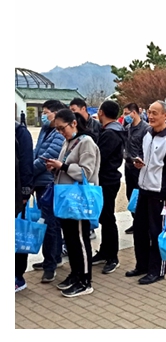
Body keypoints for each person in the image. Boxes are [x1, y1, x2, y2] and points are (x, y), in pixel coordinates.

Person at [43, 108, 100, 297]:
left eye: (62, 128)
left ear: (74, 123)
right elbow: (65, 167)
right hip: (67, 199)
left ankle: (85, 281)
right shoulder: (68, 142)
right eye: (57, 129)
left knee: (80, 240)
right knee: (70, 239)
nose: (61, 132)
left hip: (78, 200)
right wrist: (55, 167)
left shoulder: (86, 142)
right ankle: (75, 274)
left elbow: (86, 172)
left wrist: (63, 166)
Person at [126, 101, 166, 285]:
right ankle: (142, 265)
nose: (151, 116)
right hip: (143, 188)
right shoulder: (147, 133)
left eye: (155, 113)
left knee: (157, 232)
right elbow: (144, 156)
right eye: (149, 112)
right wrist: (137, 162)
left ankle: (157, 270)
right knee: (140, 230)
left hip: (159, 192)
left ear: (165, 115)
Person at [29, 100, 65, 283]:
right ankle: (53, 258)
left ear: (56, 113)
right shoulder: (45, 130)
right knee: (49, 223)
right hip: (40, 182)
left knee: (50, 224)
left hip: (48, 183)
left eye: (46, 112)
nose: (43, 115)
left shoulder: (59, 134)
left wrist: (28, 171)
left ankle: (50, 265)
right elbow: (37, 151)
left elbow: (47, 158)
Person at [91, 100, 125, 275]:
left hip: (108, 179)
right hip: (107, 179)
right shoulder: (111, 130)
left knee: (108, 218)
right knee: (105, 217)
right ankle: (105, 251)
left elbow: (99, 158)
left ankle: (113, 257)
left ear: (102, 112)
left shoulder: (111, 133)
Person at [122, 103, 150, 236]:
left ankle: (144, 224)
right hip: (128, 166)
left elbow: (147, 149)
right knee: (130, 195)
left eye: (127, 113)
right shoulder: (127, 128)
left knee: (141, 197)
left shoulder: (146, 128)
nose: (125, 116)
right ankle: (136, 221)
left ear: (134, 113)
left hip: (140, 168)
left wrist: (140, 160)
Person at [15, 119, 35, 292]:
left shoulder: (19, 132)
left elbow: (26, 163)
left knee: (18, 232)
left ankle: (18, 276)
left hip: (16, 192)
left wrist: (25, 192)